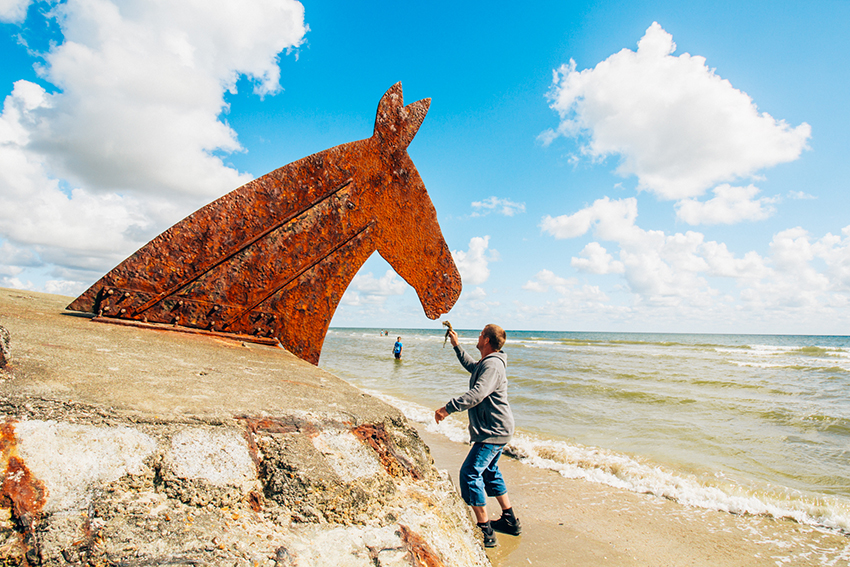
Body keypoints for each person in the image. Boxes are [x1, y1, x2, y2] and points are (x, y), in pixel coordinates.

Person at [434, 324, 521, 548]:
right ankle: (509, 520)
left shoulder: (492, 366)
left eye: (482, 334)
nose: (479, 336)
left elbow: (477, 394)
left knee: (470, 473)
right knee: (490, 471)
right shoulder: (487, 363)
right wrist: (456, 346)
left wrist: (448, 408)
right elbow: (472, 366)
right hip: (497, 429)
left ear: (488, 341)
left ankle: (485, 530)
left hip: (493, 431)